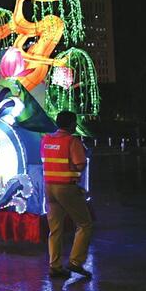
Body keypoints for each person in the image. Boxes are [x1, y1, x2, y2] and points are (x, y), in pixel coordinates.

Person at [41, 110, 93, 280]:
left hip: (49, 188)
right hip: (67, 188)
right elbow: (79, 165)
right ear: (71, 124)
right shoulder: (72, 141)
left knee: (55, 229)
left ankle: (55, 266)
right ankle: (75, 262)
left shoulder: (46, 140)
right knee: (84, 224)